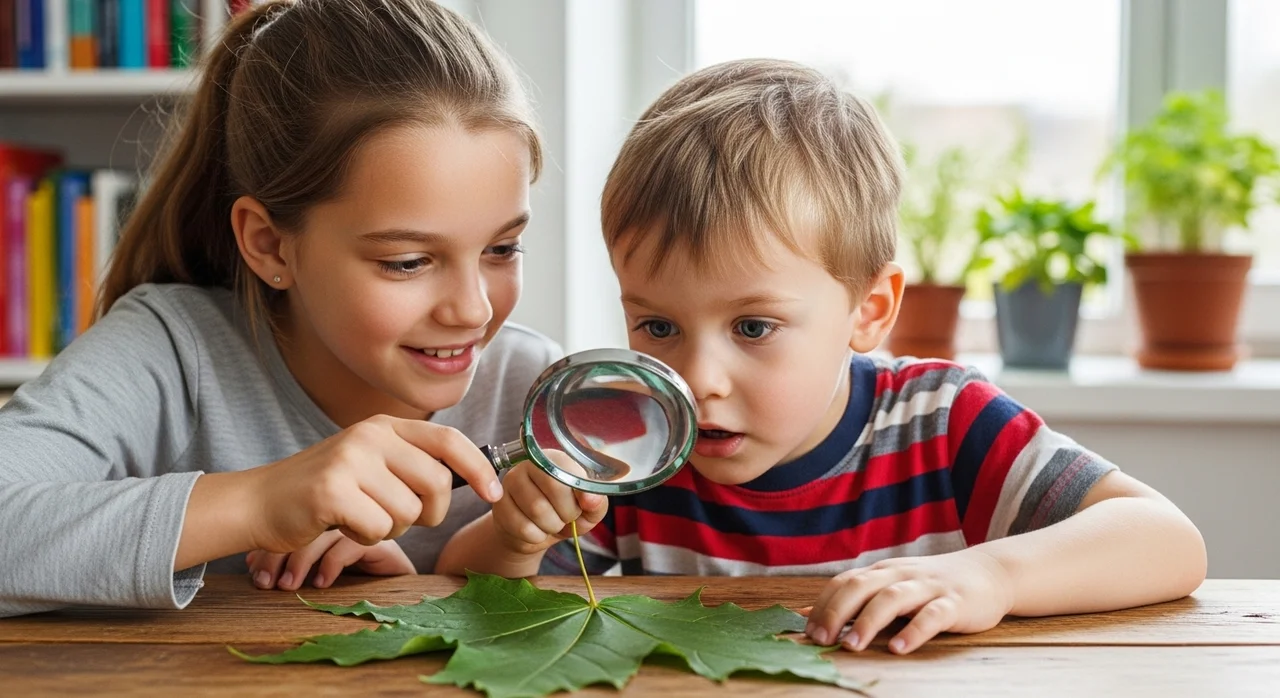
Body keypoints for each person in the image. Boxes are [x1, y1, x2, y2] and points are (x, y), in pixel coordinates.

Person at [436, 58, 1208, 655]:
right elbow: (463, 587)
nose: (696, 380)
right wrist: (514, 535)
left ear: (868, 311)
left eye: (753, 329)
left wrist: (989, 575)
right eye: (658, 327)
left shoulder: (942, 423)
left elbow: (1165, 540)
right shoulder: (634, 444)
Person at [0, 0, 561, 618]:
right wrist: (263, 503)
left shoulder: (533, 386)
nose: (472, 310)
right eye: (406, 262)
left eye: (502, 248)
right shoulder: (173, 347)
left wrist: (408, 589)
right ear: (269, 244)